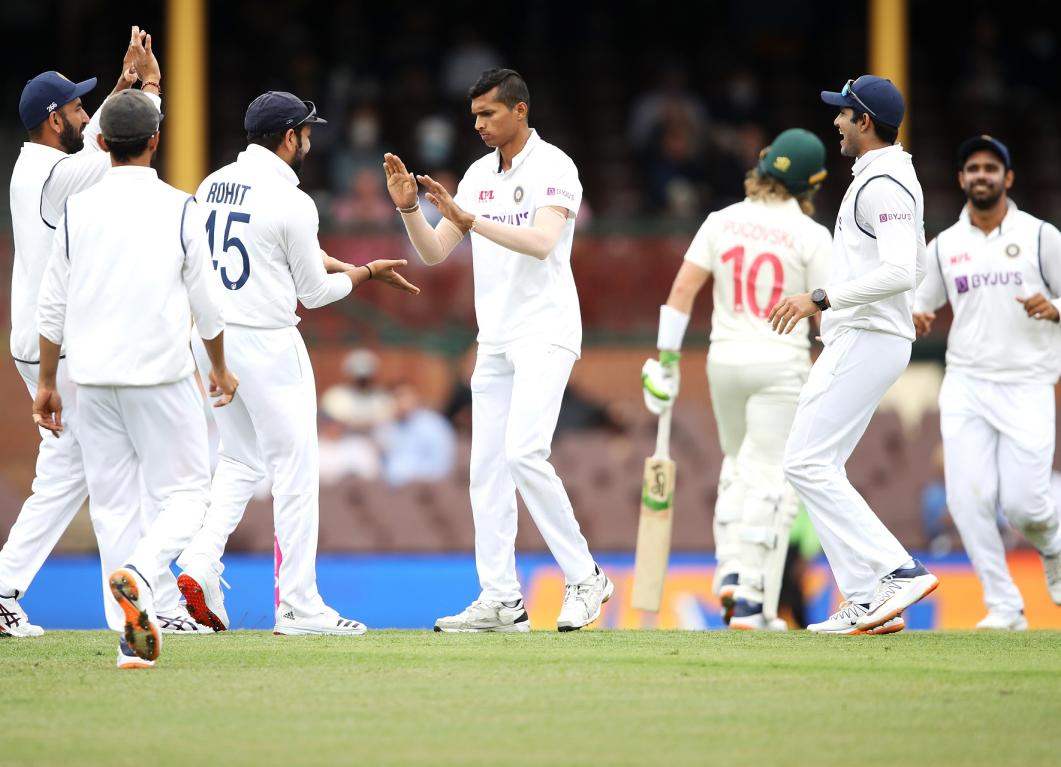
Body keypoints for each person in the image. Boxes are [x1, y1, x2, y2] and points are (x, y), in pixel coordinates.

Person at [174, 91, 419, 637]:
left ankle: (197, 564)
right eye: (306, 133)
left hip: (211, 338)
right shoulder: (293, 201)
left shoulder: (210, 185)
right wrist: (365, 274)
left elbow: (276, 253)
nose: (309, 141)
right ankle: (300, 606)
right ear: (289, 138)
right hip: (266, 342)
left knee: (239, 461)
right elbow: (316, 290)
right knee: (295, 471)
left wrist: (356, 265)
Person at [384, 68, 612, 633]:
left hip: (546, 330)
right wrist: (412, 210)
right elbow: (437, 251)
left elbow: (541, 242)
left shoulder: (555, 166)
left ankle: (587, 578)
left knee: (524, 454)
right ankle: (500, 601)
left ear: (519, 110)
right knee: (485, 468)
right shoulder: (477, 174)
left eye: (489, 114)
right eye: (475, 117)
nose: (480, 125)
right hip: (496, 338)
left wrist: (470, 219)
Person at [33, 89, 238, 668]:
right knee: (191, 494)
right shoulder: (180, 207)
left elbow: (52, 306)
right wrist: (220, 367)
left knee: (113, 507)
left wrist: (47, 382)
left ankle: (132, 640)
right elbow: (208, 305)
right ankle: (144, 578)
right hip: (161, 377)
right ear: (155, 140)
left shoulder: (77, 211)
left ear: (100, 144)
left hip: (90, 379)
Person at [0, 27, 180, 638]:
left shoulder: (45, 165)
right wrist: (145, 86)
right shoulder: (51, 176)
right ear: (54, 120)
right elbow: (117, 142)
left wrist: (132, 84)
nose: (84, 112)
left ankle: (7, 588)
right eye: (75, 105)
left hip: (47, 341)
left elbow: (107, 136)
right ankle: (139, 606)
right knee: (112, 477)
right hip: (59, 346)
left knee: (70, 474)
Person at [641, 128, 832, 631]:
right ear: (812, 183)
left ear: (764, 165)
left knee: (737, 463)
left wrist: (665, 359)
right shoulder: (813, 235)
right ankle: (751, 600)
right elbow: (827, 316)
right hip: (780, 363)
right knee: (772, 478)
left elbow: (682, 291)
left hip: (723, 361)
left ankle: (729, 569)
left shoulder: (721, 220)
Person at [768, 75, 938, 635]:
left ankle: (896, 570)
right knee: (818, 465)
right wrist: (894, 308)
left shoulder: (882, 183)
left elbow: (895, 272)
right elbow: (910, 270)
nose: (836, 122)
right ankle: (866, 598)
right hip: (871, 334)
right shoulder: (888, 178)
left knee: (804, 461)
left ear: (865, 121)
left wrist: (820, 298)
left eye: (844, 113)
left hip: (865, 336)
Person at [913, 135, 1061, 629]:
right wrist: (915, 317)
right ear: (961, 179)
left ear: (1008, 178)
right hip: (967, 382)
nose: (982, 175)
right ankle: (1003, 606)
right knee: (965, 498)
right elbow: (923, 303)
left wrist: (1056, 307)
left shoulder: (1042, 236)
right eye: (972, 167)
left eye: (991, 168)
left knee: (1024, 505)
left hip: (1028, 382)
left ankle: (1054, 546)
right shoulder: (944, 246)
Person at [375, 381, 457, 487]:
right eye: (395, 397)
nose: (400, 402)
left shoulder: (433, 425)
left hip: (423, 488)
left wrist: (413, 478)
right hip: (391, 490)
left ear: (415, 398)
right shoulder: (388, 426)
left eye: (403, 396)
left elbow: (442, 464)